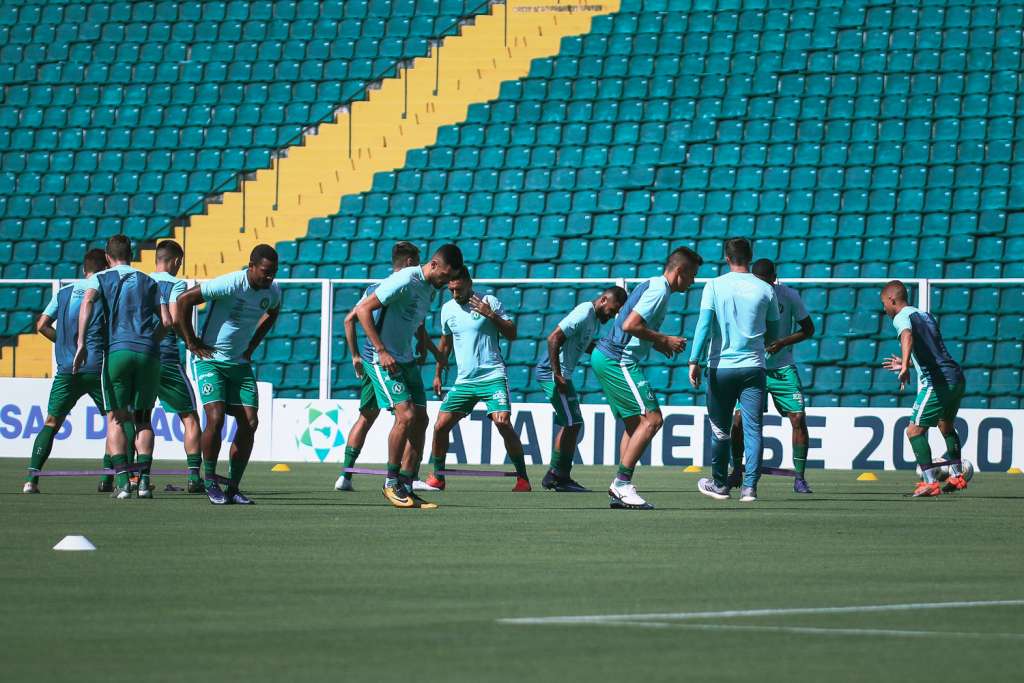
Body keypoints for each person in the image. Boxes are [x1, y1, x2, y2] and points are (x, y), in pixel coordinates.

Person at [591, 247, 703, 510]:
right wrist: (663, 339)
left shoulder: (650, 284)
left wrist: (656, 344)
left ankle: (620, 490)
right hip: (617, 359)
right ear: (680, 272)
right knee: (653, 419)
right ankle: (621, 484)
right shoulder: (658, 290)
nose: (694, 281)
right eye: (693, 275)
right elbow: (630, 325)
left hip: (607, 356)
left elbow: (628, 323)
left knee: (634, 425)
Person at [354, 243, 464, 509]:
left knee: (421, 419)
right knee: (406, 415)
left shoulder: (430, 288)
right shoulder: (406, 278)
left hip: (406, 359)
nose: (447, 283)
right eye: (445, 276)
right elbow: (362, 311)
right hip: (385, 359)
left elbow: (414, 321)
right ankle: (390, 482)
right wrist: (381, 350)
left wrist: (428, 349)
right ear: (434, 265)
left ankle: (406, 483)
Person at [176, 244, 282, 505]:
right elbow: (183, 301)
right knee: (215, 417)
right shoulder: (230, 283)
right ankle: (210, 481)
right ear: (252, 266)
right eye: (265, 272)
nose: (269, 278)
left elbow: (273, 313)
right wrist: (192, 342)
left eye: (273, 273)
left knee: (251, 422)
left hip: (239, 364)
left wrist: (252, 346)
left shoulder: (273, 291)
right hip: (209, 360)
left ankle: (233, 488)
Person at [73, 235, 171, 500]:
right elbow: (167, 320)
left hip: (117, 351)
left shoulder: (101, 278)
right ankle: (143, 482)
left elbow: (87, 302)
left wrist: (81, 342)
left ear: (107, 256)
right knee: (143, 420)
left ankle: (124, 483)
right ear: (132, 254)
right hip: (148, 354)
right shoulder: (149, 281)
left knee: (116, 419)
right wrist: (152, 341)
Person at [423, 267, 530, 492]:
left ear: (469, 283)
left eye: (458, 289)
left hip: (492, 375)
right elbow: (445, 343)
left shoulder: (489, 300)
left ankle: (522, 478)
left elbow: (512, 333)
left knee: (502, 422)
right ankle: (438, 477)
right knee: (440, 426)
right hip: (465, 381)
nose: (455, 294)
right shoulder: (447, 309)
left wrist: (490, 314)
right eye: (451, 290)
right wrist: (438, 372)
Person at [690, 238, 780, 503]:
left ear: (727, 258)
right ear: (750, 257)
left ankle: (720, 485)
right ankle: (749, 488)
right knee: (754, 430)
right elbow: (773, 333)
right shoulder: (766, 288)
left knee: (721, 429)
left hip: (721, 367)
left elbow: (704, 327)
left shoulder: (714, 286)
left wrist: (693, 360)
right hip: (754, 366)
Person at [23, 250, 109, 493]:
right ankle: (113, 479)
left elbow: (41, 325)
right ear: (104, 269)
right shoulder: (103, 290)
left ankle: (31, 479)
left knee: (51, 422)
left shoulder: (63, 292)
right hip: (96, 366)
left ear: (84, 270)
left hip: (66, 369)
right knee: (116, 421)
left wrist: (64, 342)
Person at [729, 258, 816, 494]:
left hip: (783, 368)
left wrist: (783, 343)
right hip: (752, 366)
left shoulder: (788, 295)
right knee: (737, 422)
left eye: (767, 281)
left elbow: (809, 329)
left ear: (774, 279)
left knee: (798, 419)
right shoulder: (744, 296)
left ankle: (799, 477)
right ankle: (737, 469)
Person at [534, 287, 627, 492]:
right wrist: (557, 374)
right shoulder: (585, 311)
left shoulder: (592, 319)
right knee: (573, 423)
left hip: (561, 373)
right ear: (603, 300)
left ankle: (557, 475)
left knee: (572, 423)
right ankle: (558, 476)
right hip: (553, 372)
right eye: (612, 310)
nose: (612, 316)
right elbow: (553, 338)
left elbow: (581, 343)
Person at [880, 280, 968, 497]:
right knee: (945, 426)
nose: (884, 309)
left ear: (892, 299)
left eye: (884, 303)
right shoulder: (925, 315)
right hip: (956, 377)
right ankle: (957, 477)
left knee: (914, 431)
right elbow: (932, 351)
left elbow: (907, 335)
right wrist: (907, 363)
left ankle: (929, 481)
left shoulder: (901, 317)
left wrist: (904, 364)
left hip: (937, 381)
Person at [148, 240, 205, 493]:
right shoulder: (177, 284)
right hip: (167, 358)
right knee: (190, 417)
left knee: (138, 418)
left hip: (141, 356)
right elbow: (172, 318)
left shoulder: (140, 280)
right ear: (176, 261)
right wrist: (191, 342)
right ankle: (194, 478)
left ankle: (135, 478)